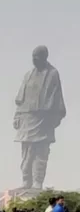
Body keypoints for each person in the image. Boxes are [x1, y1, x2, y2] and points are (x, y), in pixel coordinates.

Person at [14, 45, 67, 191]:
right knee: (26, 152)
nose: (34, 60)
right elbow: (20, 99)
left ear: (44, 58)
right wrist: (17, 115)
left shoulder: (52, 74)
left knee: (41, 152)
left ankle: (38, 181)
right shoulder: (28, 75)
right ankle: (26, 180)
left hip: (43, 118)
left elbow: (57, 96)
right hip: (27, 117)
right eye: (33, 58)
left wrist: (55, 117)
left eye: (37, 58)